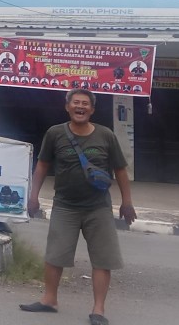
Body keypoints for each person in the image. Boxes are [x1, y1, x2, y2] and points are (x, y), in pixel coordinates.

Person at [20, 88, 137, 325]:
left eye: (85, 103)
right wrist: (33, 196)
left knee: (103, 259)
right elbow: (42, 165)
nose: (80, 107)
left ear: (92, 110)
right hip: (65, 205)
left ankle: (98, 310)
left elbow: (120, 170)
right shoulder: (55, 133)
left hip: (98, 208)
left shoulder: (105, 135)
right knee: (55, 254)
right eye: (76, 102)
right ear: (67, 107)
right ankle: (49, 299)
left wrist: (127, 202)